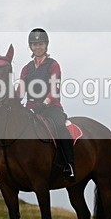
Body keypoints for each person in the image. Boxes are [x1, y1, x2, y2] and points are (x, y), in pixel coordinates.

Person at [18, 28, 75, 179]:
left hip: (51, 108)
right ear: (30, 46)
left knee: (61, 127)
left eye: (41, 44)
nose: (38, 47)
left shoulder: (53, 65)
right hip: (31, 109)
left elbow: (54, 88)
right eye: (35, 44)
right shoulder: (26, 68)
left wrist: (44, 103)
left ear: (46, 45)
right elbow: (20, 90)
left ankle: (69, 164)